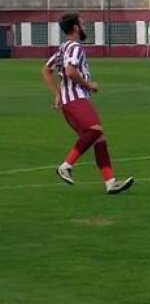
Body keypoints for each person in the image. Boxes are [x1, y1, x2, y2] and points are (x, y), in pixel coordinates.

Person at [41, 13, 135, 194]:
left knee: (99, 139)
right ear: (76, 27)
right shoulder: (75, 47)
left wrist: (57, 94)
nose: (85, 27)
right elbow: (70, 71)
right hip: (76, 98)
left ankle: (110, 182)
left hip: (68, 101)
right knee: (95, 130)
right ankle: (66, 166)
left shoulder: (63, 48)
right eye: (82, 24)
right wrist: (88, 85)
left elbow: (46, 70)